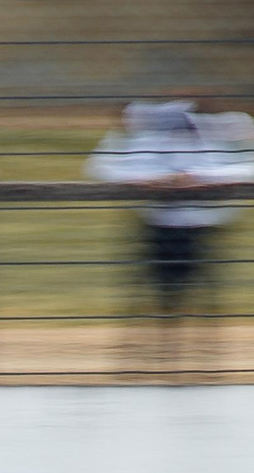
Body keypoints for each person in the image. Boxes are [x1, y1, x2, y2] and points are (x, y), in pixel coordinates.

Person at [86, 98, 254, 374]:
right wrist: (149, 182)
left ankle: (203, 360)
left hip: (201, 228)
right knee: (152, 293)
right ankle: (145, 357)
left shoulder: (208, 142)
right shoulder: (146, 143)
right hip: (157, 226)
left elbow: (243, 168)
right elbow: (104, 168)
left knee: (204, 295)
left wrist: (196, 178)